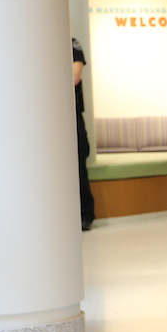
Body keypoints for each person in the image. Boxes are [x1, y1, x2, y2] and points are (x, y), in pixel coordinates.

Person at [73, 38, 95, 231]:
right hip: (50, 119)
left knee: (79, 163)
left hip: (73, 115)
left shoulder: (72, 44)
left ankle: (86, 214)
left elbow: (75, 76)